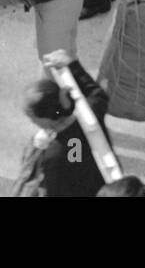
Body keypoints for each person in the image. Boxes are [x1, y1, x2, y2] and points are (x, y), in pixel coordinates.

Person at [12, 50, 111, 197]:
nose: (32, 122)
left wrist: (36, 151)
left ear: (45, 120)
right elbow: (97, 94)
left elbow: (54, 191)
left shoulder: (53, 155)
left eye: (31, 118)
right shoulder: (91, 113)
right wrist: (72, 65)